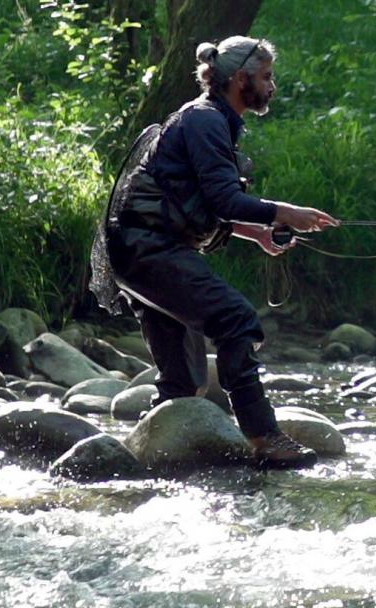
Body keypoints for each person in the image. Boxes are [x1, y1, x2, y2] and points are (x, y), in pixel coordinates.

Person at [94, 35, 339, 467]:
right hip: (150, 250)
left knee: (184, 382)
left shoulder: (210, 119)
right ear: (240, 79)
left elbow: (201, 201)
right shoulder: (206, 120)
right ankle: (264, 436)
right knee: (237, 321)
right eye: (266, 77)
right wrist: (285, 212)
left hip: (139, 250)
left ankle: (146, 462)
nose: (271, 86)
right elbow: (224, 200)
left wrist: (258, 233)